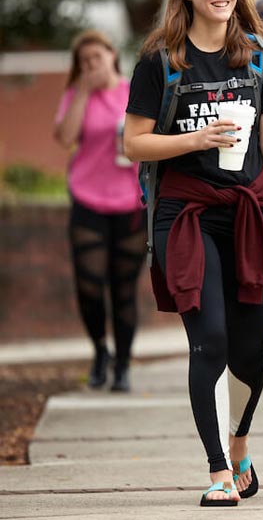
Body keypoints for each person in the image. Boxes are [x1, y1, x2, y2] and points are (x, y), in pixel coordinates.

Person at [123, 0, 263, 507]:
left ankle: (240, 443)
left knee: (250, 351)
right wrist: (196, 139)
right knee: (210, 342)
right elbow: (134, 142)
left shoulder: (257, 56)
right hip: (186, 216)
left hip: (256, 216)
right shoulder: (160, 61)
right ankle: (217, 471)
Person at [54, 30, 147, 393]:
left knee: (123, 290)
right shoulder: (76, 97)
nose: (93, 65)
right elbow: (64, 138)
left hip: (130, 204)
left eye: (98, 57)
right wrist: (81, 92)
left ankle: (123, 363)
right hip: (88, 201)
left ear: (112, 55)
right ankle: (99, 351)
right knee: (90, 286)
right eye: (85, 62)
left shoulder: (133, 92)